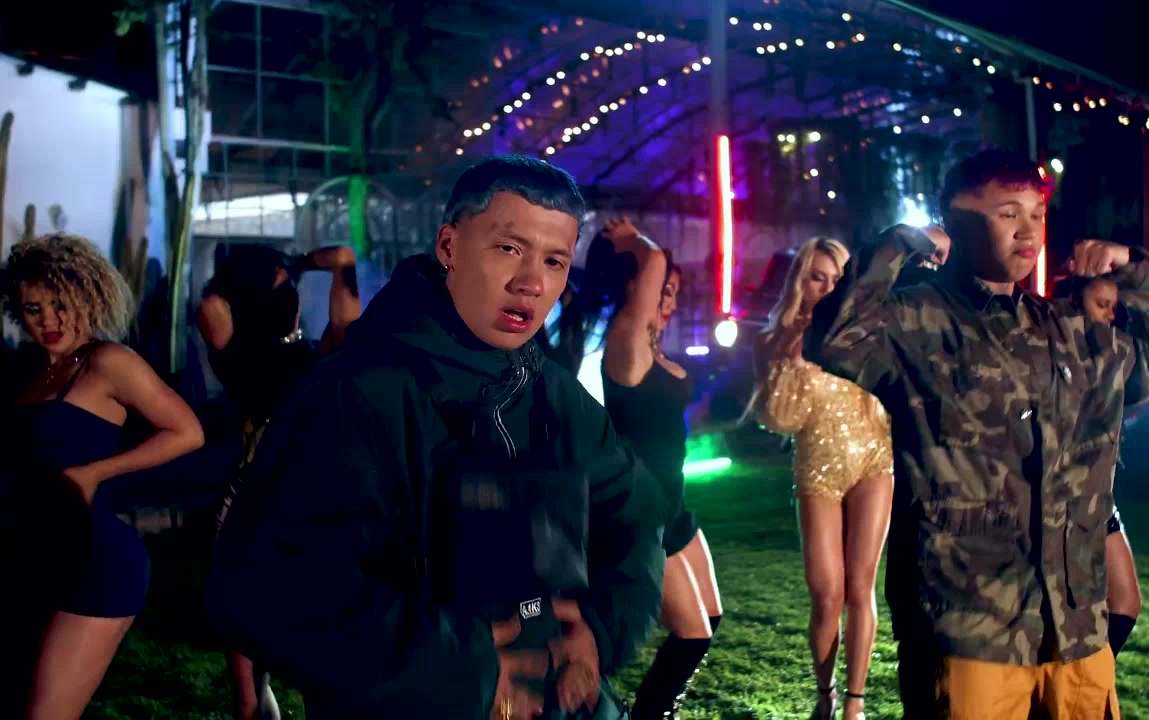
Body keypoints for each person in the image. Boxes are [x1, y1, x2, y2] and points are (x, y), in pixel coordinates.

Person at [206, 155, 665, 720]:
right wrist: (460, 667)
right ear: (449, 245)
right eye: (509, 248)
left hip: (562, 701)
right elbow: (266, 587)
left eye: (554, 260)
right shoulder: (357, 392)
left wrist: (600, 629)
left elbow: (635, 509)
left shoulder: (550, 389)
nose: (531, 281)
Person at [804, 148, 1149, 718]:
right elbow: (834, 339)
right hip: (970, 629)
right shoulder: (917, 322)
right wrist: (901, 244)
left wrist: (1132, 268)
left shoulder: (1067, 330)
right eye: (1008, 214)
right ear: (954, 221)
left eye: (1037, 214)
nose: (1028, 231)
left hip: (1075, 629)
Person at [0, 233, 205, 719]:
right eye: (33, 309)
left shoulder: (108, 362)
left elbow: (187, 432)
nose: (49, 320)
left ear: (86, 297)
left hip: (95, 557)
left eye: (60, 304)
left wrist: (95, 473)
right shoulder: (29, 373)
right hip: (32, 555)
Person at [549, 219, 722, 719]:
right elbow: (655, 261)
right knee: (692, 635)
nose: (668, 300)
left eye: (673, 292)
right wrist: (636, 242)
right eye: (661, 289)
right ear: (634, 286)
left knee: (710, 618)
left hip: (675, 506)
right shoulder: (626, 342)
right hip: (646, 514)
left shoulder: (651, 347)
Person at [196, 243, 361, 720]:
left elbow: (343, 257)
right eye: (286, 290)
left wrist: (279, 268)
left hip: (269, 494)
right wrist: (294, 265)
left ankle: (257, 706)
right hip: (288, 494)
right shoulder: (309, 357)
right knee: (276, 610)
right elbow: (342, 258)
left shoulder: (246, 355)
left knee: (253, 608)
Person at [748, 237, 894, 720]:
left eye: (837, 280)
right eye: (818, 278)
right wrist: (791, 359)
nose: (828, 288)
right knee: (826, 592)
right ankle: (825, 692)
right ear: (801, 282)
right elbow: (776, 419)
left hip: (875, 460)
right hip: (818, 467)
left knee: (860, 586)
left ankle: (855, 703)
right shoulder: (777, 338)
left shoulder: (866, 331)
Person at [1055, 275, 1143, 656]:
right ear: (1074, 302)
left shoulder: (1114, 356)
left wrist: (1130, 266)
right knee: (1068, 608)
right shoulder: (1048, 352)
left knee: (1126, 602)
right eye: (1101, 304)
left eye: (1113, 307)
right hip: (1060, 502)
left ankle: (1092, 676)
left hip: (1098, 499)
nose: (1109, 314)